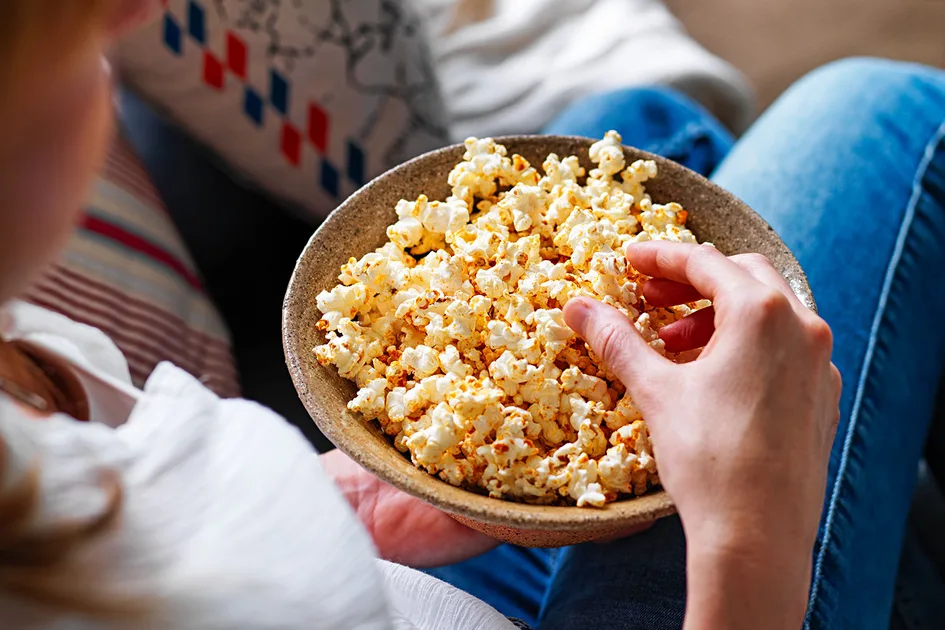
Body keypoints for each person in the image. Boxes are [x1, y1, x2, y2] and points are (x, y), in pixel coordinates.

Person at [0, 4, 941, 630]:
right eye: (66, 38)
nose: (127, 18)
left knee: (638, 118)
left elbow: (148, 517)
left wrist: (351, 503)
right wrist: (752, 534)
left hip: (379, 571)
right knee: (877, 111)